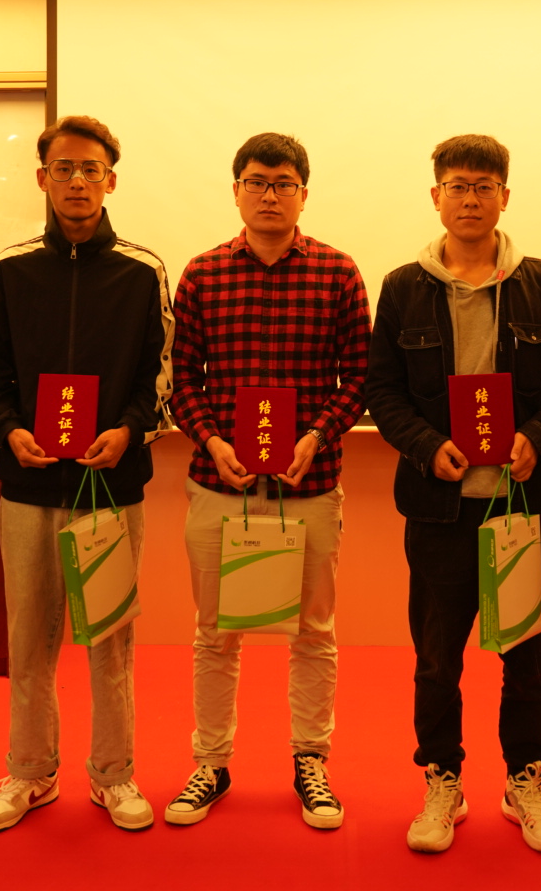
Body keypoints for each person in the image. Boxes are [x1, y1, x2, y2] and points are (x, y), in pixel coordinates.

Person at [366, 134, 541, 855]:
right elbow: (382, 390)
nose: (470, 198)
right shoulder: (404, 286)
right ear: (436, 197)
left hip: (520, 506)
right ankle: (443, 781)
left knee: (527, 654)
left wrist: (538, 435)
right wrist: (426, 446)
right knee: (438, 658)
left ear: (504, 197)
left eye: (484, 186)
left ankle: (525, 780)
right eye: (458, 186)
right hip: (439, 510)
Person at [0, 115, 172, 833]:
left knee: (110, 643)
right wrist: (8, 430)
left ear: (111, 180)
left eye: (90, 170)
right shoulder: (11, 269)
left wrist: (130, 430)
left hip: (111, 487)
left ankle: (114, 775)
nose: (77, 181)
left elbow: (161, 372)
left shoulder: (143, 270)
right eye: (63, 168)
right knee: (29, 642)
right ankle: (29, 771)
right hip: (28, 488)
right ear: (42, 177)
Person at [163, 132, 370, 830]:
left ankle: (311, 761)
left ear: (303, 194)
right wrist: (212, 441)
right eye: (257, 182)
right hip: (218, 484)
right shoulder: (202, 273)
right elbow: (182, 379)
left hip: (308, 485)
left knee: (312, 631)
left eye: (283, 183)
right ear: (236, 191)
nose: (270, 195)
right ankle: (211, 762)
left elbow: (359, 376)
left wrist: (316, 437)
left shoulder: (338, 273)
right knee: (214, 632)